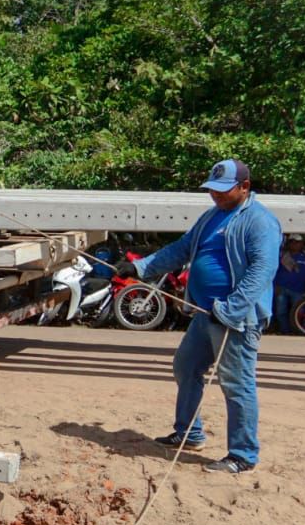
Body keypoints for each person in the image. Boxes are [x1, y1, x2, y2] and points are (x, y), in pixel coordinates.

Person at [116, 159, 282, 473]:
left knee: (236, 383)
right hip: (206, 315)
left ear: (244, 187)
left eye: (222, 190)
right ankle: (189, 433)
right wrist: (139, 269)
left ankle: (243, 456)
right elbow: (180, 250)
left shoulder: (260, 222)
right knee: (185, 366)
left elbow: (262, 271)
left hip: (236, 318)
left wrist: (231, 310)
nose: (215, 195)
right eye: (212, 190)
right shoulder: (211, 217)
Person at [272, 234, 305, 334]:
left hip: (299, 290)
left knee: (300, 312)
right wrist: (275, 287)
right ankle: (285, 331)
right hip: (282, 289)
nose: (294, 244)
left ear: (302, 244)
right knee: (281, 312)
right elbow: (274, 272)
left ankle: (300, 331)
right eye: (292, 241)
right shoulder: (281, 256)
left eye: (297, 242)